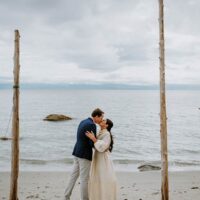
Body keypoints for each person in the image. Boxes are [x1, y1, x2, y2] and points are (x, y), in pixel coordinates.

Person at [63, 108, 104, 200]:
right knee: (84, 179)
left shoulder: (83, 121)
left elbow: (81, 138)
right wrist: (100, 145)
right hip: (84, 155)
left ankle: (66, 196)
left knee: (73, 176)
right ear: (96, 116)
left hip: (77, 152)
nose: (102, 119)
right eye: (101, 117)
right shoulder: (91, 125)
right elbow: (91, 143)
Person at [86, 118, 117, 200]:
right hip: (98, 157)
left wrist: (93, 139)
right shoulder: (100, 132)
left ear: (106, 125)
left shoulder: (107, 134)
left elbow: (102, 147)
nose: (102, 121)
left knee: (102, 177)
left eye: (104, 121)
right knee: (97, 178)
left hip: (103, 159)